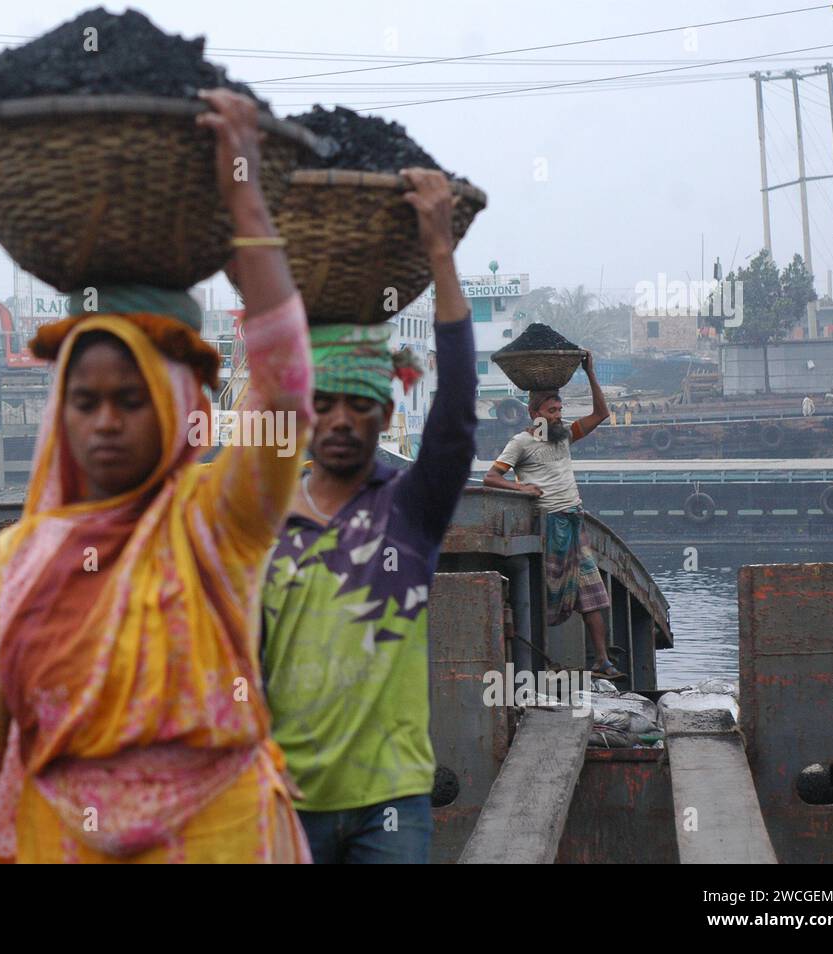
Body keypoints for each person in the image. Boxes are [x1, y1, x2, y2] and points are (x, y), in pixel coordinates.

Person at [0, 89, 314, 864]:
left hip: (221, 839)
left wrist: (242, 196)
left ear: (173, 406)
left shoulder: (216, 524)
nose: (105, 422)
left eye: (130, 401)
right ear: (59, 413)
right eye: (86, 401)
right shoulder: (17, 560)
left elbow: (286, 385)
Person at [260, 168, 479, 864]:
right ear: (304, 413)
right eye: (325, 404)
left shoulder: (409, 510)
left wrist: (440, 254)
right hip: (279, 800)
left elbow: (456, 421)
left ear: (386, 413)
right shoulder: (262, 516)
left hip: (389, 803)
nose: (341, 421)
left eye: (361, 404)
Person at [482, 354, 620, 678]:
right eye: (551, 411)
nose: (558, 417)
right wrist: (522, 489)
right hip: (549, 525)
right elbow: (491, 477)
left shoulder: (565, 436)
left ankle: (602, 661)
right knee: (550, 595)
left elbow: (602, 413)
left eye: (560, 411)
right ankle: (527, 667)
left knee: (592, 593)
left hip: (574, 521)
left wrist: (590, 372)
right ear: (534, 413)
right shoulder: (521, 443)